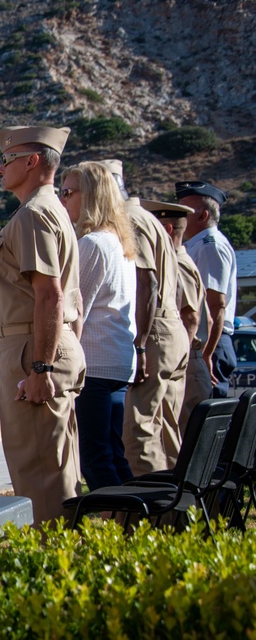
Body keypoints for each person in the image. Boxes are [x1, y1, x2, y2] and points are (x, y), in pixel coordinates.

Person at [0, 125, 85, 526]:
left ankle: (56, 573)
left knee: (40, 477)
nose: (1, 169)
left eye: (8, 160)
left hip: (33, 350)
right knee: (56, 468)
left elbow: (50, 295)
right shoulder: (53, 211)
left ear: (31, 162)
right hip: (46, 345)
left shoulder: (34, 215)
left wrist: (42, 368)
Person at [59, 161, 137, 490]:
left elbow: (76, 314)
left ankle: (119, 530)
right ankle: (137, 528)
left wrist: (56, 367)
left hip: (96, 368)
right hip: (117, 365)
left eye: (68, 192)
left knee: (95, 459)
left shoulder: (92, 245)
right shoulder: (118, 244)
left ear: (89, 196)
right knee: (113, 454)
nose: (63, 200)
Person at [112, 159, 188, 475]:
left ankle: (151, 520)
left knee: (138, 436)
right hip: (171, 329)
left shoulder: (129, 219)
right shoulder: (149, 219)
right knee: (168, 433)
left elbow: (147, 281)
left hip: (154, 333)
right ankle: (180, 515)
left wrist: (140, 345)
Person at [141, 199, 211, 437]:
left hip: (185, 359)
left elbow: (191, 317)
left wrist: (177, 358)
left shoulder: (179, 264)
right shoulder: (176, 261)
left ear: (167, 230)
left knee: (172, 436)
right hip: (186, 358)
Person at [177, 180, 237, 398]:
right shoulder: (197, 245)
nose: (178, 216)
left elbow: (216, 305)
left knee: (206, 418)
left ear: (202, 216)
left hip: (211, 340)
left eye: (185, 210)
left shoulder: (210, 246)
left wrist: (207, 353)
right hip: (204, 339)